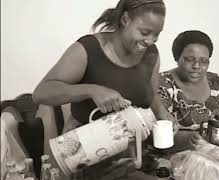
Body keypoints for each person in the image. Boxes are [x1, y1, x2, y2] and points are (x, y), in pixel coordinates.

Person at [33, 0, 176, 179]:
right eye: (145, 32)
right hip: (86, 155)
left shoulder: (151, 55)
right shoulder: (88, 49)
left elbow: (151, 94)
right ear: (125, 19)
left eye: (157, 34)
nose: (150, 41)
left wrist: (163, 114)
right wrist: (92, 90)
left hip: (134, 155)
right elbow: (41, 93)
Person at [158, 30, 219, 152]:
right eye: (190, 59)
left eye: (204, 61)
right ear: (177, 58)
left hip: (217, 155)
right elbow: (156, 134)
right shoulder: (163, 84)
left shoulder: (216, 82)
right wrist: (186, 139)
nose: (197, 66)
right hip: (176, 159)